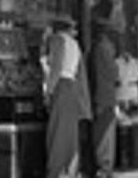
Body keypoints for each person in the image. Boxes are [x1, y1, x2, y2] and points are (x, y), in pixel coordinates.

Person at [43, 15, 91, 178]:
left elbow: (56, 67)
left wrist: (49, 90)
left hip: (61, 87)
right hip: (72, 87)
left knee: (57, 131)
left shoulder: (58, 40)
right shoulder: (74, 44)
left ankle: (56, 170)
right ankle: (70, 170)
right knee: (70, 133)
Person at [88, 19, 119, 178]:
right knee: (105, 135)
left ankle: (104, 166)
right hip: (105, 97)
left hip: (101, 97)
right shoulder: (105, 48)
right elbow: (113, 73)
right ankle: (105, 167)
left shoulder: (97, 48)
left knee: (102, 134)